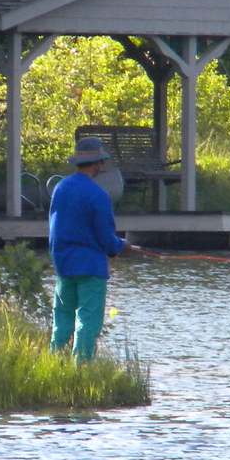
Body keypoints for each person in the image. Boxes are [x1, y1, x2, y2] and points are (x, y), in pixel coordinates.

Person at [48, 135, 133, 361]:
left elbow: (55, 227)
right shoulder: (99, 195)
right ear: (98, 164)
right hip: (91, 267)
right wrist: (122, 245)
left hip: (63, 264)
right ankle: (82, 371)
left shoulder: (60, 188)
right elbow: (106, 239)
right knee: (87, 322)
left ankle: (54, 365)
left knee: (62, 321)